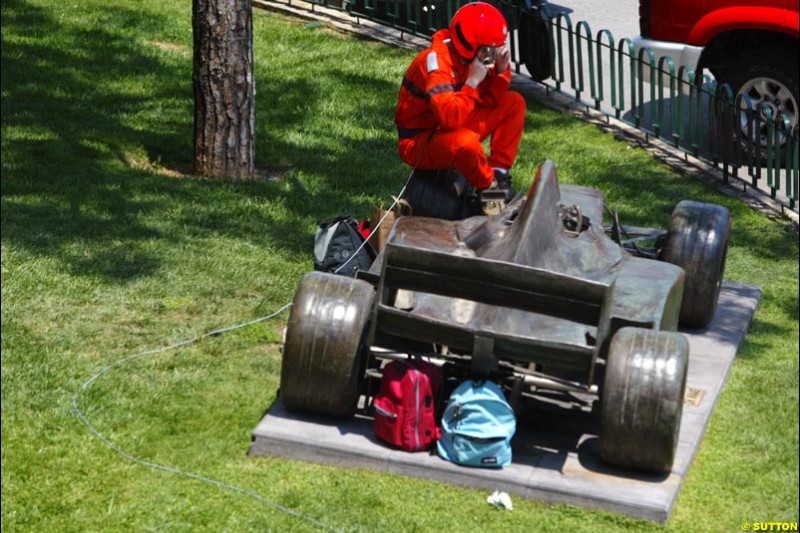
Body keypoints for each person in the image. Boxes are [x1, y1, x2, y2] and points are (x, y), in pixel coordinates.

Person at [394, 2, 526, 219]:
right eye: (488, 48)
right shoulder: (436, 64)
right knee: (466, 143)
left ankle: (499, 174)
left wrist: (501, 73)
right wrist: (472, 83)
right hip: (419, 142)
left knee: (514, 103)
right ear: (470, 43)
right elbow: (450, 118)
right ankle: (489, 189)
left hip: (448, 127)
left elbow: (490, 100)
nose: (492, 54)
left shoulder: (467, 59)